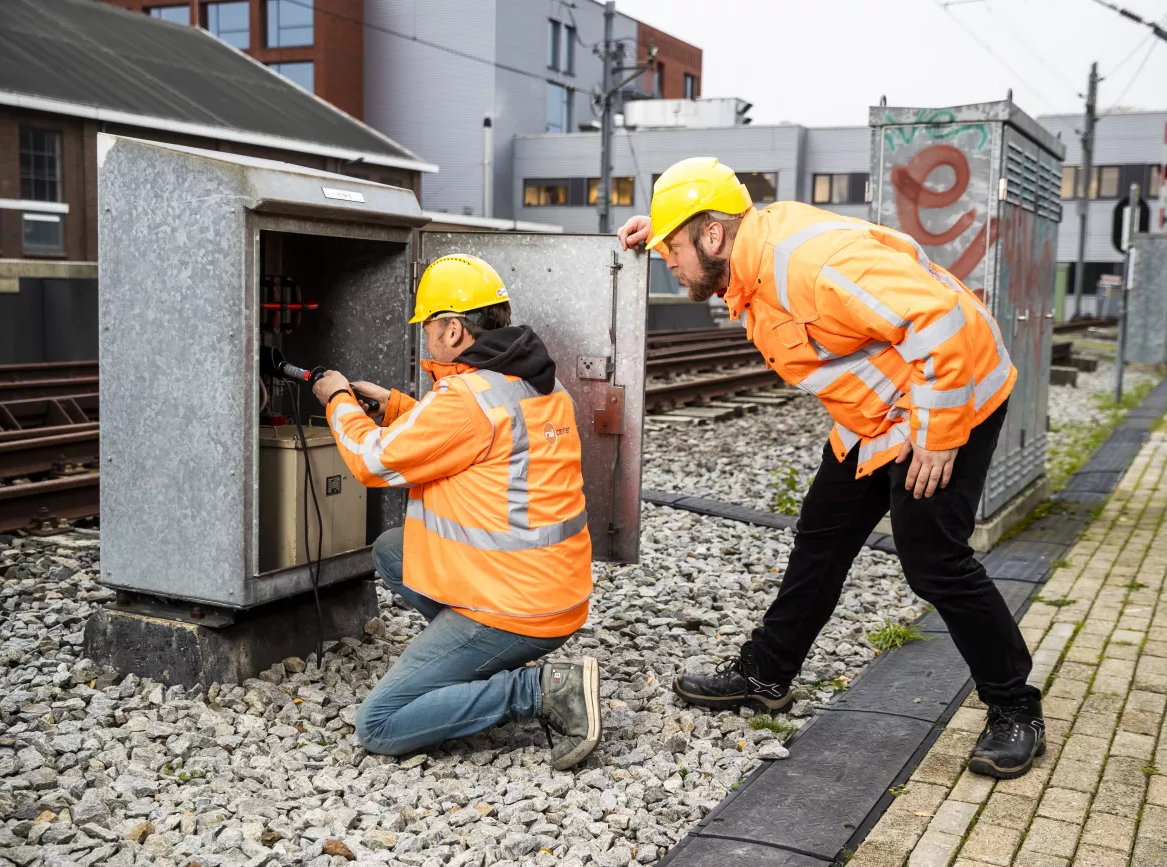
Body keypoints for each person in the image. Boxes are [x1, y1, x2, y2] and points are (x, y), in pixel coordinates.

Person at [617, 158, 1044, 780]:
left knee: (934, 559)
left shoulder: (815, 263)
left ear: (712, 235)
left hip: (950, 397)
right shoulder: (747, 259)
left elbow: (943, 324)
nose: (669, 263)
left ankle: (1015, 709)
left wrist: (940, 434)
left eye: (672, 249)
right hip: (878, 413)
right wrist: (655, 230)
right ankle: (766, 674)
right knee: (822, 533)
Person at [311, 253, 601, 771]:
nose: (424, 339)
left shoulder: (466, 400)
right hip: (555, 590)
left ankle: (540, 690)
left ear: (451, 330)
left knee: (379, 724)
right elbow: (476, 436)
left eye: (427, 327)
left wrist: (337, 401)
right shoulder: (537, 380)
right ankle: (462, 662)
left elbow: (369, 461)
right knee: (392, 551)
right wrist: (400, 409)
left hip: (513, 608)